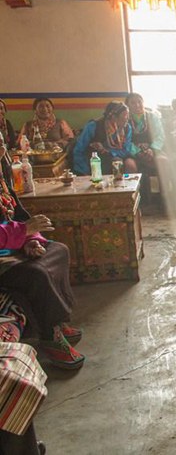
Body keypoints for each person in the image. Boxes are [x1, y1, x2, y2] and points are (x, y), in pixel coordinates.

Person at [0, 129, 84, 370]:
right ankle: (50, 336)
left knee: (58, 250)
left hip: (13, 243)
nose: (1, 150)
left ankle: (57, 320)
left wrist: (31, 240)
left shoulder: (2, 179)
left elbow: (19, 216)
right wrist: (22, 233)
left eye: (1, 144)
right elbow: (20, 226)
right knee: (35, 274)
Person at [72, 101, 137, 176]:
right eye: (125, 116)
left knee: (127, 164)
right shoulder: (93, 126)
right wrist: (85, 171)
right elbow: (79, 150)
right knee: (115, 162)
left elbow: (126, 150)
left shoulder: (127, 128)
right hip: (96, 159)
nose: (127, 119)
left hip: (118, 156)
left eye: (128, 116)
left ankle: (127, 187)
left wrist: (108, 151)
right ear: (114, 117)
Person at [124, 92, 167, 196]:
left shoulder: (152, 117)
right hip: (133, 153)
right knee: (130, 165)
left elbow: (160, 136)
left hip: (152, 150)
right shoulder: (125, 119)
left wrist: (152, 149)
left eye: (139, 102)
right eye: (133, 103)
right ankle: (135, 197)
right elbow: (124, 140)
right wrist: (137, 152)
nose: (137, 105)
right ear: (128, 105)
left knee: (163, 161)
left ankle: (163, 197)